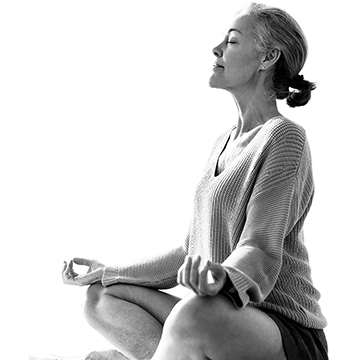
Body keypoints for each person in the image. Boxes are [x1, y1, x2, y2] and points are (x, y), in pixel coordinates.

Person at [62, 3, 328, 360]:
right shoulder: (221, 142)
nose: (216, 48)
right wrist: (109, 271)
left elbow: (261, 247)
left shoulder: (284, 137)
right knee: (100, 297)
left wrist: (223, 279)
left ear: (268, 57)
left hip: (281, 329)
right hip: (222, 314)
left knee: (194, 314)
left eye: (232, 41)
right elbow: (189, 252)